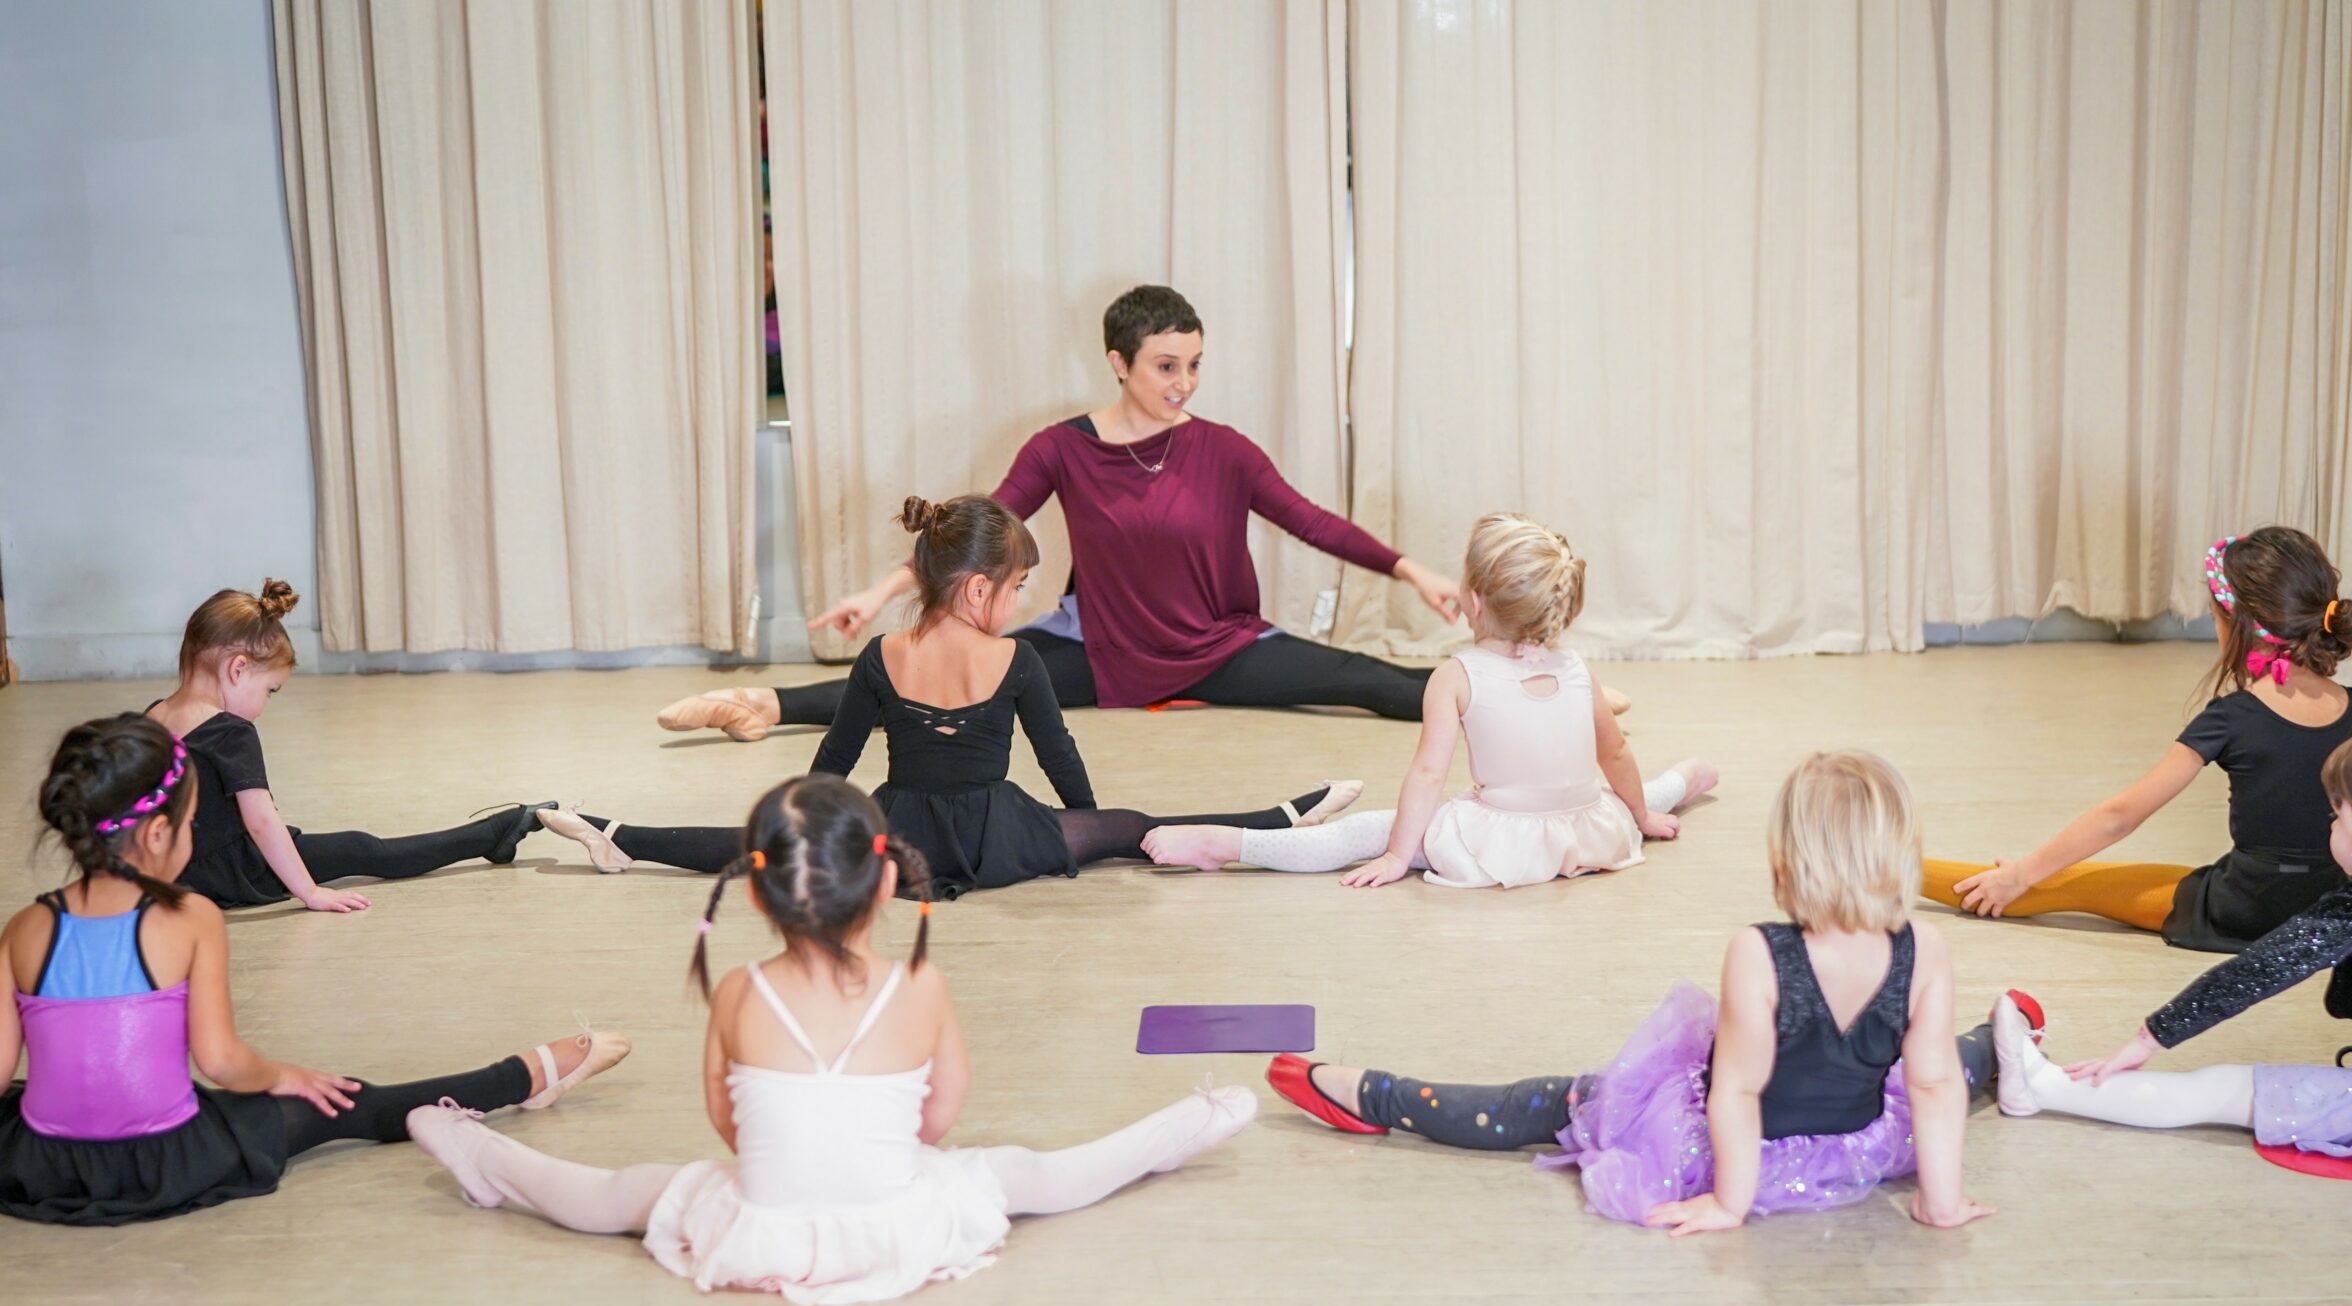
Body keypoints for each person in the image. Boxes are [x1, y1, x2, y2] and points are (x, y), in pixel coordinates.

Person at [409, 775, 1257, 1306]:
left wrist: (787, 1153)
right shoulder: (917, 985)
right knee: (1030, 1174)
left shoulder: (739, 989)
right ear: (888, 881)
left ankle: (484, 1156)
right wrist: (894, 1149)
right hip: (897, 1218)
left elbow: (726, 1120)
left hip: (765, 1220)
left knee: (624, 1195)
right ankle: (1174, 1131)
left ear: (756, 896)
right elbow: (944, 1109)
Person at [654, 284, 1624, 737]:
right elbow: (980, 531)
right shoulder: (1062, 449)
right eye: (1166, 366)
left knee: (1370, 682)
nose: (1184, 382)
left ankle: (1546, 694)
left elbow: (1308, 519)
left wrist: (1410, 566)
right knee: (934, 676)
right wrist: (879, 590)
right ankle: (756, 706)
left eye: (1195, 364)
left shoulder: (1224, 448)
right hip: (1103, 649)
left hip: (1223, 644)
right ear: (1118, 363)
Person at [1264, 752, 1994, 1230]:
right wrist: (1941, 1198)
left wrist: (1729, 1201)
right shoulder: (1925, 949)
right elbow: (1931, 1087)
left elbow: (1736, 1093)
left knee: (1553, 1104)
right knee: (1954, 1066)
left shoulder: (1760, 953)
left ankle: (1382, 1094)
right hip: (1852, 1140)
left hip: (1734, 1148)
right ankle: (2008, 1032)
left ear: (1787, 860)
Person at [539, 497, 1359, 897]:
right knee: (1134, 829)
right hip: (1003, 832)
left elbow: (833, 763)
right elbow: (1059, 758)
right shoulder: (1016, 660)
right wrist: (1079, 827)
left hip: (901, 834)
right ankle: (1280, 821)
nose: (1021, 602)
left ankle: (618, 836)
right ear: (976, 591)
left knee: (766, 846)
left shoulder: (881, 654)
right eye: (1018, 587)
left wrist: (800, 820)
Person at [0, 715, 623, 1226]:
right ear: (160, 834)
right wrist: (287, 1075)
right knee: (343, 1100)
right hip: (167, 1159)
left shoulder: (25, 928)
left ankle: (524, 1075)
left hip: (43, 1164)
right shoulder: (188, 916)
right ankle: (518, 1077)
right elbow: (220, 1063)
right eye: (192, 825)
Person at [1992, 713, 2352, 1164]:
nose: (2328, 827)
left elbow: (2255, 972)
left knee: (2218, 1090)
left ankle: (2041, 1088)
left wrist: (2147, 1040)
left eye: (2335, 816)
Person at [1142, 514, 1709, 887]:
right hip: (1587, 835)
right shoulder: (1578, 667)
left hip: (1504, 844)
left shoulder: (1457, 675)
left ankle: (1227, 844)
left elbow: (1427, 774)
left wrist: (1395, 855)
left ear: (1475, 600)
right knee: (1636, 795)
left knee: (1360, 833)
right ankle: (1692, 777)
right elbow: (1616, 757)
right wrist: (1638, 817)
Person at [1924, 527, 2352, 951]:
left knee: (2072, 884)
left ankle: (1892, 873)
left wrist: (2022, 873)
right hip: (2332, 917)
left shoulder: (2231, 717)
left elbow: (2120, 816)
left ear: (2237, 624)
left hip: (2244, 910)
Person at [144, 581, 547, 911]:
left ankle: (493, 834)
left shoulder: (151, 717)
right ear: (238, 669)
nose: (265, 705)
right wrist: (310, 892)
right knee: (365, 849)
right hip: (241, 869)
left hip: (175, 873)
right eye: (271, 690)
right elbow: (262, 822)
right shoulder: (231, 731)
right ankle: (492, 833)